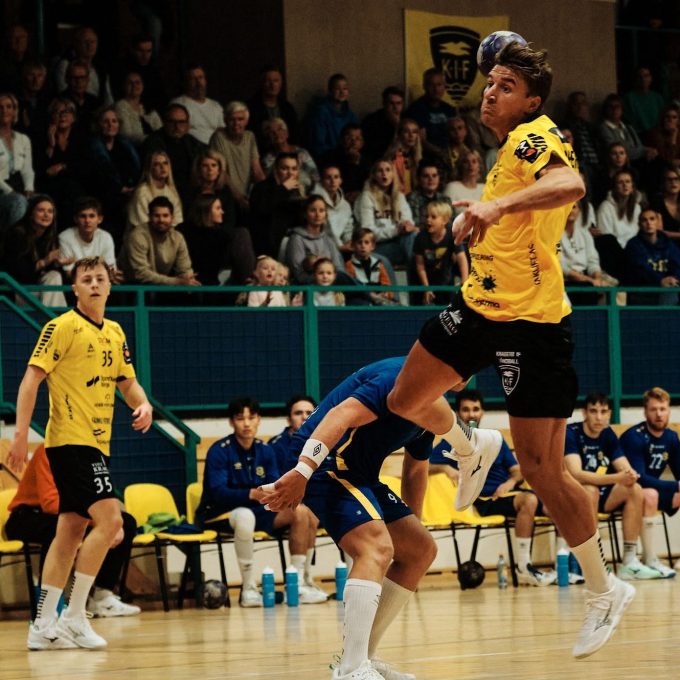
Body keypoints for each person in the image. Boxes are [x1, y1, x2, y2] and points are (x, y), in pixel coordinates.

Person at [383, 41, 634, 659]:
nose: (491, 93)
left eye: (506, 86)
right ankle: (473, 447)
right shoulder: (506, 148)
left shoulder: (534, 138)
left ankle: (605, 591)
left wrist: (494, 206)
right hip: (480, 306)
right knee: (406, 398)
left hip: (533, 325)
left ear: (531, 101)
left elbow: (571, 183)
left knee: (544, 472)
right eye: (490, 83)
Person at [6, 255, 153, 649]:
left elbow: (128, 384)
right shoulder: (62, 327)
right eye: (86, 279)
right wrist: (20, 436)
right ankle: (74, 616)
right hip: (70, 440)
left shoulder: (116, 332)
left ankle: (42, 626)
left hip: (98, 442)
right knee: (111, 521)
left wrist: (143, 404)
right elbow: (30, 381)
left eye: (100, 278)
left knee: (71, 531)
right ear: (74, 288)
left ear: (110, 285)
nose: (94, 284)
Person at [261, 357, 438, 680]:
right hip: (322, 460)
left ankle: (362, 658)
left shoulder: (435, 406)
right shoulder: (395, 378)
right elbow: (338, 415)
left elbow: (415, 470)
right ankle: (351, 668)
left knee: (420, 549)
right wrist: (303, 471)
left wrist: (412, 523)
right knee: (375, 548)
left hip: (360, 474)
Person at [195, 397, 326, 606]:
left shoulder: (264, 450)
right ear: (231, 422)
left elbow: (274, 483)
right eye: (240, 418)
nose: (246, 424)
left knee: (303, 512)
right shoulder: (219, 450)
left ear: (258, 420)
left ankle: (299, 582)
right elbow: (218, 492)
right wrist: (250, 494)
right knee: (245, 516)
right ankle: (248, 589)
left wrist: (276, 494)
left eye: (252, 418)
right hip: (220, 513)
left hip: (258, 510)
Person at [430, 389, 556, 586]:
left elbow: (517, 471)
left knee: (558, 506)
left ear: (482, 412)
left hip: (508, 494)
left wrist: (509, 483)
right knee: (529, 500)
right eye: (465, 410)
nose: (471, 414)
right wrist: (445, 467)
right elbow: (425, 466)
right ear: (458, 413)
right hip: (485, 500)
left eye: (475, 409)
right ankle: (524, 567)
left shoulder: (494, 439)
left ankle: (566, 567)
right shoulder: (452, 441)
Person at [5, 443, 142, 616]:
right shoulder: (48, 450)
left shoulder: (92, 453)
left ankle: (102, 597)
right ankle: (49, 605)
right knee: (58, 528)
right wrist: (98, 520)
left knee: (125, 522)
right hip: (27, 516)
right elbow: (51, 503)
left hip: (71, 513)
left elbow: (103, 496)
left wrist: (111, 521)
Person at [564, 392, 662, 581]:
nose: (599, 417)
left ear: (609, 414)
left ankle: (629, 561)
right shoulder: (571, 433)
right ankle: (593, 560)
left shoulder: (608, 434)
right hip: (576, 496)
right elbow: (577, 474)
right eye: (593, 411)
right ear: (584, 413)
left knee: (635, 489)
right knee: (590, 490)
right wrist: (617, 478)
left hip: (602, 495)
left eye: (603, 412)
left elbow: (624, 466)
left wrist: (629, 475)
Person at [620, 387, 680, 578]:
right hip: (625, 492)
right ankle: (650, 558)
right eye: (653, 409)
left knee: (656, 494)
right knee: (650, 494)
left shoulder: (671, 437)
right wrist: (676, 486)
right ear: (645, 412)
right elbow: (641, 478)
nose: (659, 414)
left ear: (669, 410)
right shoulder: (634, 436)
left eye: (663, 409)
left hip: (650, 491)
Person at [0, 194, 71, 307]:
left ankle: (50, 317)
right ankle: (55, 318)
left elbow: (51, 275)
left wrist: (57, 264)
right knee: (53, 293)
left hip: (40, 293)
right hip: (15, 293)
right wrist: (44, 262)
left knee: (55, 276)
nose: (46, 215)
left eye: (50, 211)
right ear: (31, 214)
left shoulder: (51, 237)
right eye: (41, 210)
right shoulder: (16, 235)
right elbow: (18, 273)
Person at [119, 195, 199, 286]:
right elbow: (141, 274)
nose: (161, 220)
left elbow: (185, 269)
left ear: (172, 218)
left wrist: (187, 278)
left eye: (165, 216)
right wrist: (177, 281)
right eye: (156, 216)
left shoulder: (178, 238)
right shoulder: (138, 235)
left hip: (159, 287)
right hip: (131, 287)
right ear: (149, 217)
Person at [180, 194, 255, 286]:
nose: (222, 212)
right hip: (192, 281)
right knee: (241, 234)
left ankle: (250, 284)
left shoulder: (220, 234)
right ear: (206, 210)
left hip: (213, 281)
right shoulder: (184, 231)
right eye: (218, 208)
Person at [140, 103, 206, 207]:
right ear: (164, 122)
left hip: (190, 189)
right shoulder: (153, 142)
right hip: (164, 190)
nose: (177, 127)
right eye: (172, 122)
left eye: (181, 122)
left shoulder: (191, 142)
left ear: (187, 125)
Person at [353, 159, 417, 267]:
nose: (384, 174)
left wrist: (407, 226)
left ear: (393, 174)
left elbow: (408, 221)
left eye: (388, 170)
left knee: (411, 236)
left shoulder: (399, 196)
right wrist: (395, 231)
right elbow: (367, 233)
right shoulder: (367, 197)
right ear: (374, 175)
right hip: (376, 246)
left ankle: (417, 272)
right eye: (380, 171)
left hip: (399, 242)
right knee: (410, 252)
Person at [208, 101, 265, 209]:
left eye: (240, 119)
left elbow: (257, 170)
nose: (236, 123)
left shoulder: (250, 136)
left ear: (246, 121)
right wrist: (239, 198)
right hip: (226, 195)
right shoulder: (219, 137)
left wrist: (267, 191)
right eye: (232, 119)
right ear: (225, 120)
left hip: (245, 194)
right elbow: (222, 172)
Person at [411, 199, 467, 307]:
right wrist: (426, 288)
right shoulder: (420, 238)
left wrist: (464, 282)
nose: (428, 220)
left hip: (446, 281)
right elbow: (420, 265)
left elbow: (462, 258)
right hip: (424, 280)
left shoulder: (452, 234)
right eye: (427, 216)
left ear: (444, 220)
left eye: (433, 217)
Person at [249, 151, 305, 257]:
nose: (290, 173)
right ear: (275, 170)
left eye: (294, 169)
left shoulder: (298, 191)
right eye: (285, 169)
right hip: (266, 246)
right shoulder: (261, 188)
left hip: (292, 244)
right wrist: (283, 189)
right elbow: (262, 209)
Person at [58, 196, 122, 283]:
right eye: (83, 216)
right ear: (75, 219)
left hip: (100, 283)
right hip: (75, 284)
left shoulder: (106, 237)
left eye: (92, 216)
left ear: (100, 219)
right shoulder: (65, 237)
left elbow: (110, 271)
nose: (87, 220)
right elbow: (69, 273)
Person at [624, 207, 680, 305]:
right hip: (643, 290)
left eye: (652, 219)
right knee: (669, 292)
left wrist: (673, 278)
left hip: (668, 287)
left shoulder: (668, 243)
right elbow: (641, 269)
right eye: (644, 220)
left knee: (671, 288)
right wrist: (660, 281)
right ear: (639, 224)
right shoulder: (633, 245)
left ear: (658, 222)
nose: (649, 223)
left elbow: (677, 264)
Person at [284, 194, 345, 284]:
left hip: (331, 287)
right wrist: (322, 280)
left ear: (326, 215)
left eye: (321, 210)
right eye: (313, 210)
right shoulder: (297, 238)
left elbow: (339, 269)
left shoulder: (328, 240)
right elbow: (298, 274)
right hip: (307, 288)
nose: (318, 214)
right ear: (305, 214)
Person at [0, 91, 34, 229]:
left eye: (9, 107)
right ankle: (15, 241)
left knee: (44, 201)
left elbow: (27, 169)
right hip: (3, 189)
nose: (4, 110)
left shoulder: (23, 139)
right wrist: (11, 192)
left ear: (15, 111)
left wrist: (29, 189)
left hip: (19, 186)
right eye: (0, 107)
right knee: (18, 202)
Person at [247, 65, 300, 152]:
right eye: (268, 81)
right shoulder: (251, 108)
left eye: (276, 81)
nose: (272, 85)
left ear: (281, 83)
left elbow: (295, 135)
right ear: (262, 83)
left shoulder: (287, 108)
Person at [306, 73, 359, 159]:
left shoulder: (350, 115)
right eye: (337, 89)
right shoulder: (321, 113)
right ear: (330, 91)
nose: (342, 92)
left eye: (345, 88)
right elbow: (318, 144)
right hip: (328, 157)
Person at [127, 150, 184, 230]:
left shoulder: (172, 192)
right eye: (157, 164)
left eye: (165, 163)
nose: (162, 167)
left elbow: (178, 221)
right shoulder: (142, 192)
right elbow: (142, 224)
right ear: (150, 168)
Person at [260, 117, 318, 191]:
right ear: (268, 138)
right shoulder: (267, 160)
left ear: (287, 133)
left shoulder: (301, 153)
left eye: (279, 129)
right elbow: (266, 184)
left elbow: (315, 175)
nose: (276, 134)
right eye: (271, 132)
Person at [405, 68, 457, 150]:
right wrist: (441, 154)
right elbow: (421, 141)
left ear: (444, 86)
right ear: (424, 86)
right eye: (431, 85)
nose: (436, 89)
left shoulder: (450, 110)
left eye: (439, 85)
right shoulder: (415, 109)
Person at [171, 65, 224, 145]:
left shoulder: (216, 106)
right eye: (193, 79)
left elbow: (223, 130)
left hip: (217, 148)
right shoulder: (178, 104)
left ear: (205, 80)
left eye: (200, 77)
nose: (198, 82)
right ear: (187, 82)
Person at [344, 228, 395, 305]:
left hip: (379, 298)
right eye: (359, 242)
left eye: (366, 242)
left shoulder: (378, 264)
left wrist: (385, 293)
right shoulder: (349, 265)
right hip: (361, 299)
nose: (363, 246)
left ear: (372, 246)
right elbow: (352, 289)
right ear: (353, 245)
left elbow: (386, 284)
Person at [596, 169, 644, 250]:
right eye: (620, 182)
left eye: (628, 181)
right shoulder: (605, 207)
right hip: (615, 250)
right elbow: (606, 237)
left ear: (632, 186)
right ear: (614, 187)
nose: (625, 185)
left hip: (635, 249)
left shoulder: (637, 207)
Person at [114, 71, 162, 147]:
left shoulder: (148, 106)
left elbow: (160, 129)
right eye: (130, 83)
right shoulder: (120, 106)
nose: (134, 85)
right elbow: (126, 135)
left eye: (137, 82)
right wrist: (151, 139)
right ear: (124, 86)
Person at [313, 164, 354, 253]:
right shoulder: (315, 202)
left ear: (340, 180)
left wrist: (349, 241)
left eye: (336, 177)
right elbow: (324, 230)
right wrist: (339, 247)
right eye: (328, 178)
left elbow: (348, 228)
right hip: (321, 247)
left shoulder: (345, 205)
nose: (333, 181)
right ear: (322, 181)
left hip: (343, 248)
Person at [361, 86, 405, 163]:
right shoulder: (372, 121)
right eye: (391, 103)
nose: (395, 107)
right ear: (384, 104)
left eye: (398, 103)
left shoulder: (406, 119)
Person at [406, 160, 448, 230]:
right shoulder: (412, 199)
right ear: (419, 179)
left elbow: (450, 224)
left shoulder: (445, 199)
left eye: (434, 175)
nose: (431, 179)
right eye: (426, 176)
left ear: (439, 178)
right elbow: (416, 225)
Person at [444, 150, 485, 217]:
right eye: (466, 162)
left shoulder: (485, 188)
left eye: (474, 161)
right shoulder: (452, 187)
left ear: (479, 166)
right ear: (461, 166)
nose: (470, 165)